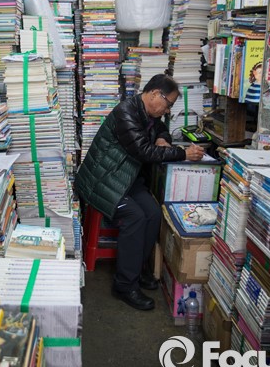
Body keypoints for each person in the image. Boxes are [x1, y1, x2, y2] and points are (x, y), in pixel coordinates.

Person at [76, 74, 205, 311]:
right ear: (155, 94)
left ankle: (137, 269)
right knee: (135, 216)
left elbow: (161, 129)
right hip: (103, 180)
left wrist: (163, 139)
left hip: (125, 177)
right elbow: (143, 151)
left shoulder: (148, 112)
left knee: (153, 213)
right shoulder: (126, 112)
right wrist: (183, 153)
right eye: (168, 104)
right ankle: (125, 285)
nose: (168, 110)